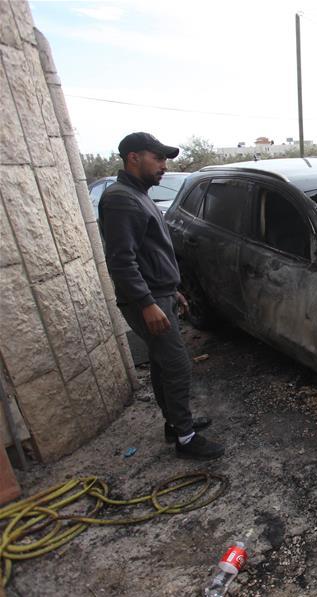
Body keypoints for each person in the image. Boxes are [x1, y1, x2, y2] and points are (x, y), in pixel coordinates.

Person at [99, 132, 224, 460]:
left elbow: (150, 254)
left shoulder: (136, 195)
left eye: (165, 159)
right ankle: (185, 438)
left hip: (159, 295)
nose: (164, 166)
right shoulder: (120, 199)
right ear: (133, 158)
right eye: (157, 158)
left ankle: (174, 424)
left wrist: (173, 291)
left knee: (161, 363)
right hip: (146, 301)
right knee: (177, 365)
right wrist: (148, 303)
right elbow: (121, 262)